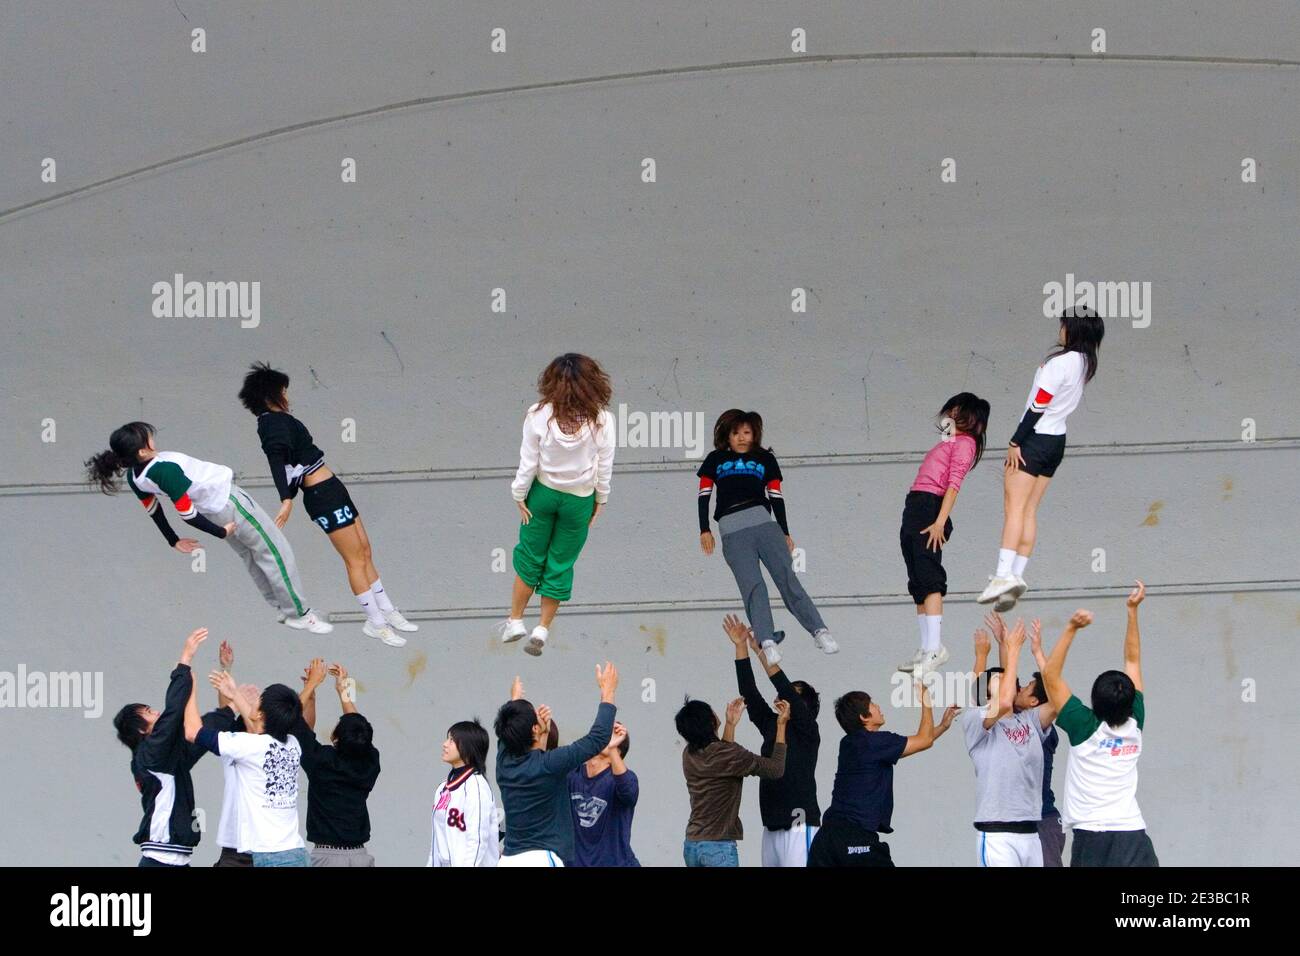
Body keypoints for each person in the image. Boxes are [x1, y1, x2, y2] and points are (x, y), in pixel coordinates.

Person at [85, 422, 331, 633]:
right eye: (146, 436)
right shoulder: (164, 470)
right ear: (141, 450)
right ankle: (300, 614)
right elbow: (186, 514)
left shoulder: (136, 476)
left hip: (213, 510)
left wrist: (172, 540)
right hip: (228, 503)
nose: (152, 436)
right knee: (276, 551)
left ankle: (282, 607)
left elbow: (153, 509)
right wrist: (221, 532)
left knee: (253, 556)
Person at [238, 363, 416, 647]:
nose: (288, 396)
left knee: (365, 550)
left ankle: (388, 611)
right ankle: (375, 622)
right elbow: (276, 461)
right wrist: (286, 499)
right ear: (271, 395)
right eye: (283, 391)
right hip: (320, 494)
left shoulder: (280, 418)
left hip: (332, 487)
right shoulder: (270, 424)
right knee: (354, 559)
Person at [978, 308, 1104, 611]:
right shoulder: (1085, 362)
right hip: (1056, 440)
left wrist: (1015, 441)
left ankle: (1003, 575)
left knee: (1014, 508)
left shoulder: (1059, 363)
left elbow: (1038, 405)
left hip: (1035, 438)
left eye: (1063, 325)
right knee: (1030, 509)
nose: (1059, 329)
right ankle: (1016, 576)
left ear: (1072, 330)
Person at [697, 409, 837, 665]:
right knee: (753, 586)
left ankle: (819, 629)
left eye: (747, 433)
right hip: (732, 529)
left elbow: (776, 496)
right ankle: (767, 640)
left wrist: (784, 531)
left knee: (787, 578)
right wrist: (704, 529)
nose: (741, 438)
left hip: (763, 523)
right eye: (736, 433)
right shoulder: (715, 459)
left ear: (755, 435)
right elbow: (704, 495)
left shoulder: (764, 459)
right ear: (726, 436)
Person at [500, 355, 616, 657]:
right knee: (560, 563)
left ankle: (514, 621)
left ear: (551, 381)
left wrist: (518, 495)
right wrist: (600, 499)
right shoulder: (603, 419)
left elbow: (528, 463)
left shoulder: (538, 414)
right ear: (593, 383)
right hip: (579, 499)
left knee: (530, 556)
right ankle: (542, 629)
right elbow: (605, 466)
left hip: (544, 494)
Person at [1042, 582, 1158, 866]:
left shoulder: (1084, 726)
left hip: (1093, 836)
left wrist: (1071, 628)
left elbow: (1050, 676)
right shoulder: (1135, 722)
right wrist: (1132, 611)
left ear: (1094, 701)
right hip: (1133, 833)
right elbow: (1133, 659)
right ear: (1130, 702)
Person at [113, 627, 232, 867]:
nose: (155, 712)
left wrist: (225, 673)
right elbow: (174, 710)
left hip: (179, 860)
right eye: (148, 712)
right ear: (140, 730)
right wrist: (185, 661)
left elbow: (212, 725)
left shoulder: (170, 759)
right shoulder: (150, 756)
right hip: (159, 860)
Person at [807, 679, 957, 867]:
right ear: (864, 716)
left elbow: (917, 742)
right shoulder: (874, 743)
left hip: (825, 840)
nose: (878, 706)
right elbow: (924, 740)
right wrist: (926, 699)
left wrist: (942, 726)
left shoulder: (851, 743)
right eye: (872, 703)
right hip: (854, 838)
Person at [897, 393, 990, 674]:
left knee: (929, 577)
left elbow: (954, 484)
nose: (950, 413)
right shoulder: (950, 441)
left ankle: (935, 647)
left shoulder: (966, 443)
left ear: (970, 418)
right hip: (916, 503)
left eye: (957, 410)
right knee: (917, 580)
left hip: (930, 506)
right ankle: (926, 648)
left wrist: (940, 521)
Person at [494, 664, 619, 865]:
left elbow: (508, 732)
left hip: (508, 859)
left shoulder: (503, 762)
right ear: (534, 729)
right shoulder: (549, 765)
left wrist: (515, 700)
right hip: (541, 859)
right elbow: (597, 738)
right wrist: (608, 692)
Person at [724, 614, 821, 867]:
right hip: (771, 824)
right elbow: (750, 693)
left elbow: (783, 685)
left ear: (805, 706)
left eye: (793, 697)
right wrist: (741, 646)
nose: (783, 697)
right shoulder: (771, 725)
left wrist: (760, 652)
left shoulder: (808, 730)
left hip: (800, 824)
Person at [962, 618, 1059, 866]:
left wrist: (1031, 651)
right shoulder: (977, 720)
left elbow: (1058, 700)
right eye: (997, 682)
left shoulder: (1029, 720)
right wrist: (1007, 649)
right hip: (997, 834)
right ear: (985, 693)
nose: (1008, 684)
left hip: (1030, 831)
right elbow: (1002, 701)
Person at [185, 673, 309, 867]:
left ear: (260, 714)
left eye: (257, 702)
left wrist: (188, 688)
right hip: (295, 852)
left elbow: (192, 731)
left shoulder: (250, 746)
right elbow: (257, 728)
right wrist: (234, 695)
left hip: (269, 857)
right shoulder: (293, 744)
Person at [676, 692, 790, 867]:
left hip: (692, 844)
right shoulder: (729, 755)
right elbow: (776, 769)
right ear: (711, 721)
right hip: (718, 847)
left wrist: (730, 724)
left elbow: (722, 758)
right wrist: (781, 725)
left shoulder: (688, 755)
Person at [293, 660, 381, 866]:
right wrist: (344, 689)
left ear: (335, 737)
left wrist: (311, 686)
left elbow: (293, 722)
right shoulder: (370, 762)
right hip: (361, 857)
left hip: (327, 857)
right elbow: (358, 727)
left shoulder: (322, 761)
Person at [566, 721, 639, 867]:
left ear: (619, 750)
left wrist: (611, 748)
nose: (604, 735)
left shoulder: (626, 778)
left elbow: (628, 793)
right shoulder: (572, 775)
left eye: (610, 734)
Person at [428, 719, 500, 867]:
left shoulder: (477, 786)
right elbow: (436, 843)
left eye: (452, 740)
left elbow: (478, 840)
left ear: (468, 747)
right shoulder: (442, 789)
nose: (445, 744)